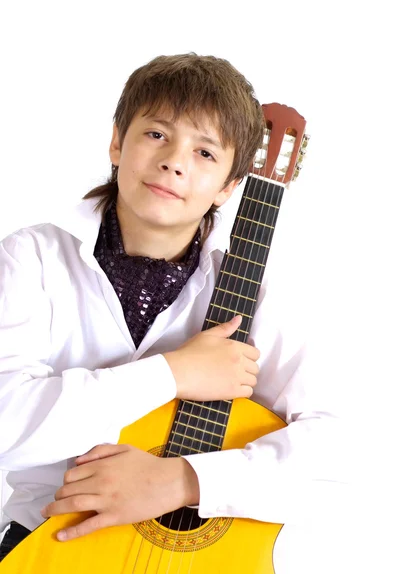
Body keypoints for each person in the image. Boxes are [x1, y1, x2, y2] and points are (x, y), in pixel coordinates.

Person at [0, 53, 346, 561]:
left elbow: (343, 449)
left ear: (230, 186)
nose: (174, 161)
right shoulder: (30, 259)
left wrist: (186, 482)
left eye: (206, 153)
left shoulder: (260, 292)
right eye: (157, 134)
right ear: (118, 142)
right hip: (44, 547)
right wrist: (171, 374)